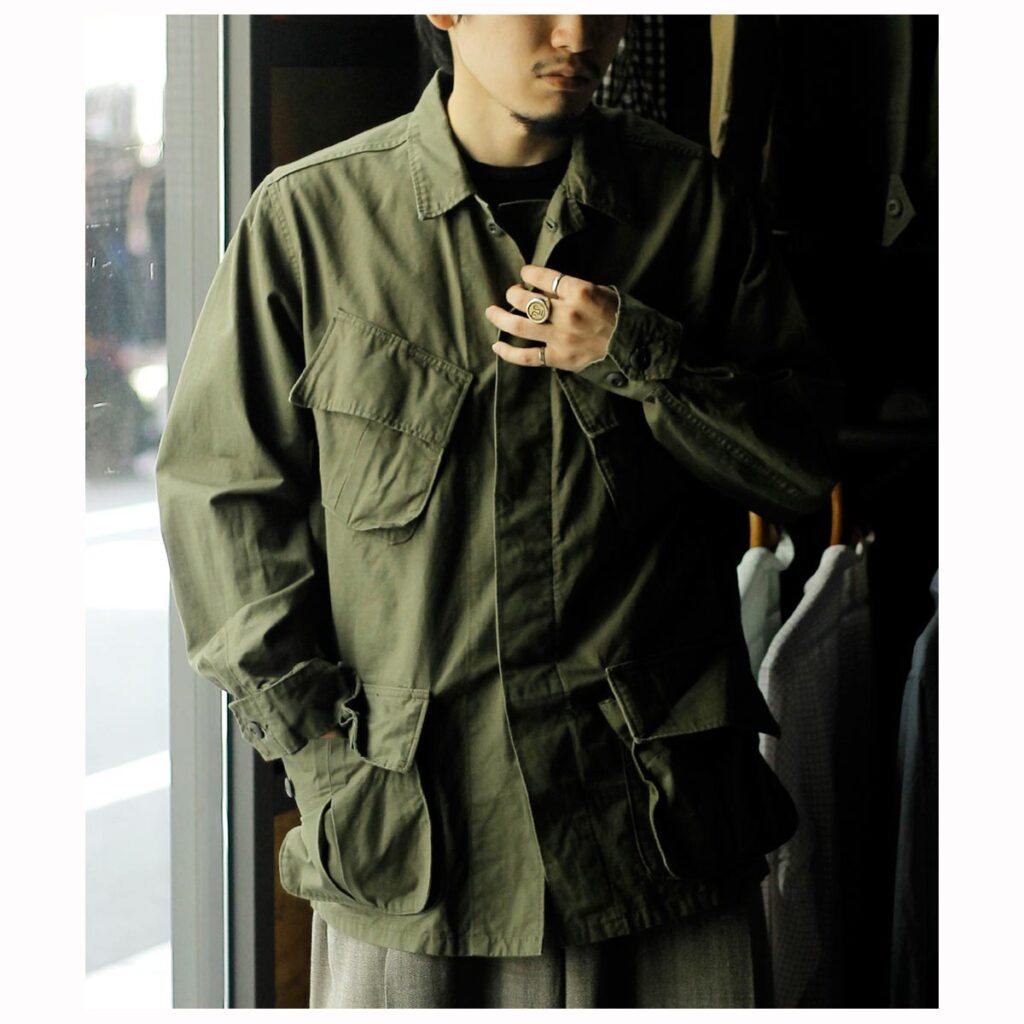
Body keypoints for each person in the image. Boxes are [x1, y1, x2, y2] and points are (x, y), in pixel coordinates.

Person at [155, 13, 838, 1009]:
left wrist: (637, 354)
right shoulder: (309, 221)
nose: (579, 30)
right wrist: (322, 758)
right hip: (414, 849)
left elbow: (797, 469)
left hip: (656, 848)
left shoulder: (689, 202)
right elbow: (222, 505)